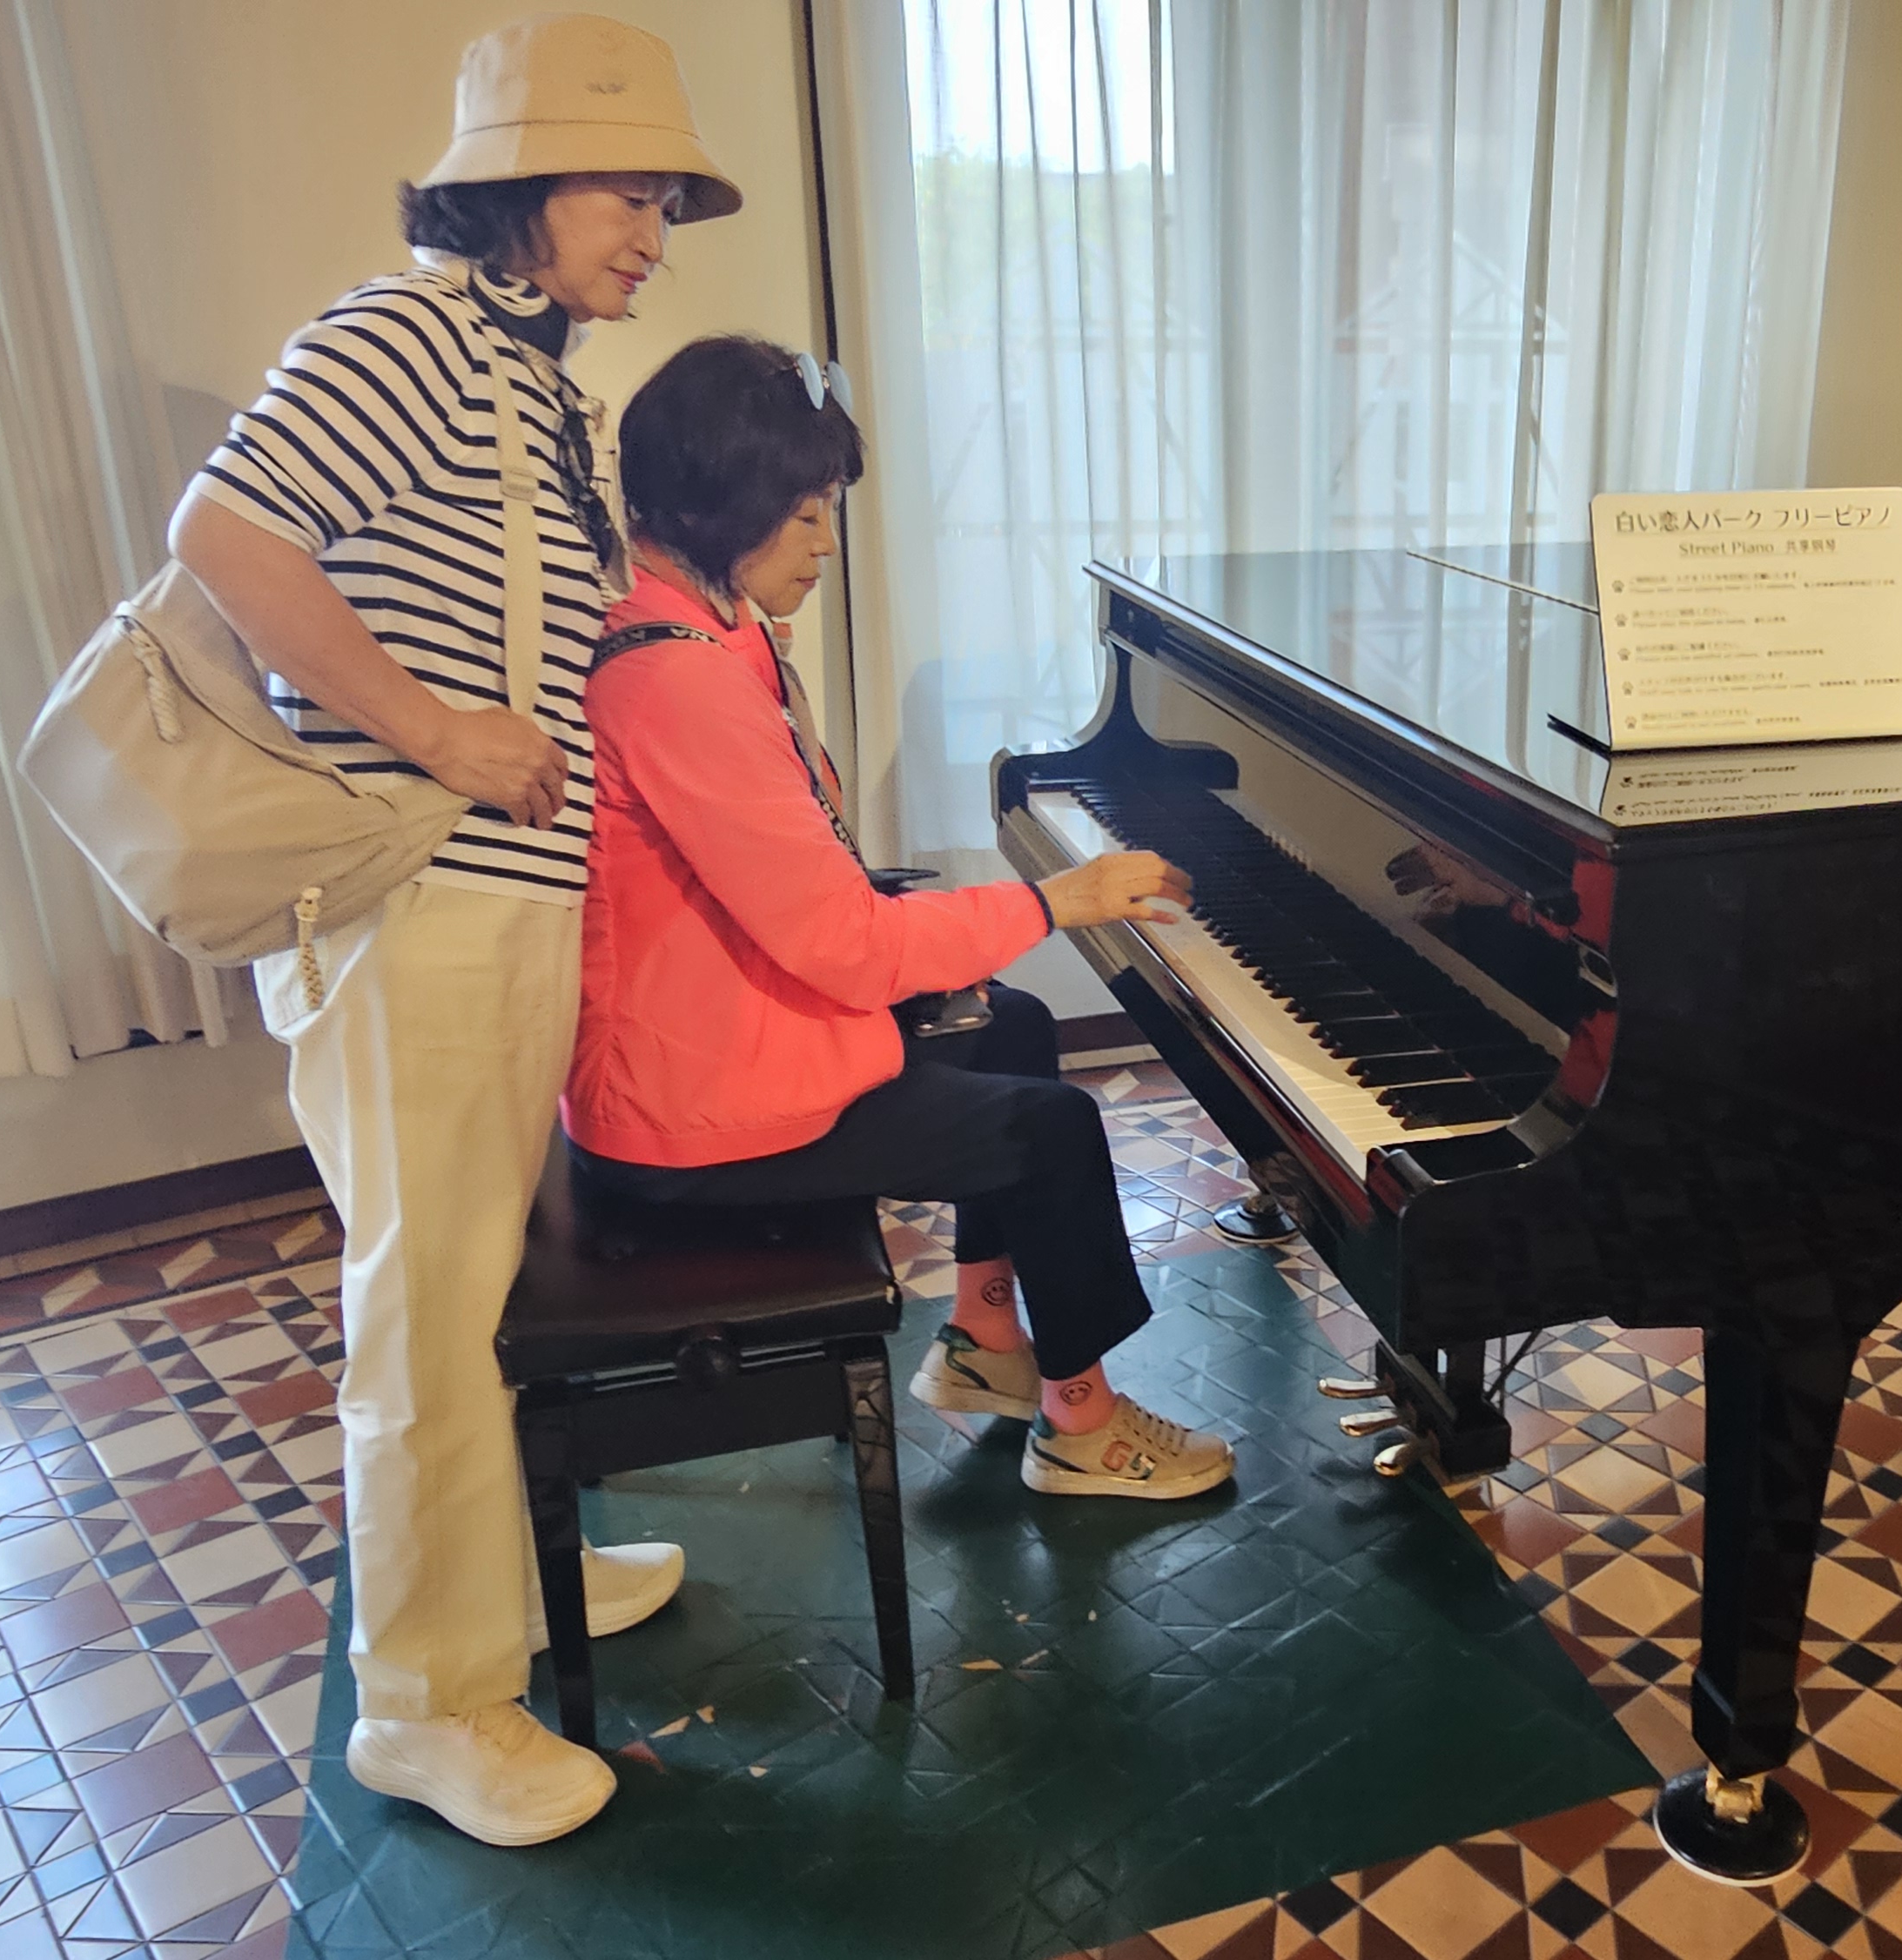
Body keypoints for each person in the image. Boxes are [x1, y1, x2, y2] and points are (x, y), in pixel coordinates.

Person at [165, 16, 739, 1848]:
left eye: (664, 205)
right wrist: (433, 730)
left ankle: (503, 1582)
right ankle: (424, 1702)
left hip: (494, 903)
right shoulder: (404, 334)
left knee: (476, 1274)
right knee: (420, 1305)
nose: (651, 237)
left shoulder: (534, 381)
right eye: (625, 196)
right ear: (517, 189)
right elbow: (225, 535)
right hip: (412, 896)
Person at [561, 333, 1235, 1502]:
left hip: (708, 1040)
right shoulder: (674, 678)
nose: (826, 542)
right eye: (805, 513)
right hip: (691, 1116)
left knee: (1014, 1025)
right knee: (1053, 1129)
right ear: (725, 505)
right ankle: (1081, 1428)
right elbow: (845, 948)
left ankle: (985, 1338)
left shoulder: (699, 625)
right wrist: (1056, 900)